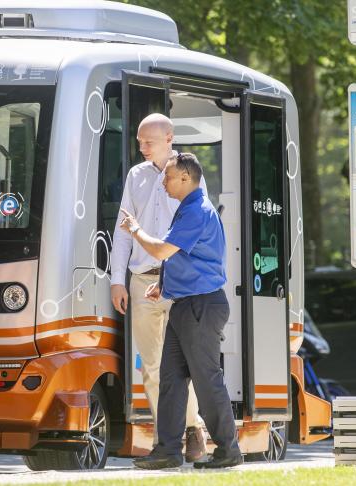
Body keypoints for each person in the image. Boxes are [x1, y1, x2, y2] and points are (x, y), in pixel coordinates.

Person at [122, 153, 242, 470]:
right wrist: (164, 285)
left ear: (186, 178)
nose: (163, 182)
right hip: (185, 305)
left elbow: (162, 250)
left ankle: (228, 450)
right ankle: (168, 451)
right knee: (171, 380)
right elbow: (181, 255)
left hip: (201, 306)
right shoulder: (188, 208)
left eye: (168, 177)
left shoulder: (196, 211)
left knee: (206, 380)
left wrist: (135, 229)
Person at [110, 113, 207, 462]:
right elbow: (123, 230)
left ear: (169, 138)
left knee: (183, 364)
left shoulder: (188, 175)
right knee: (150, 366)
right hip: (141, 280)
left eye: (148, 141)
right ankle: (166, 439)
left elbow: (194, 231)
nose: (142, 147)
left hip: (177, 281)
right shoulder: (135, 176)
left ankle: (193, 428)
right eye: (139, 141)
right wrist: (117, 280)